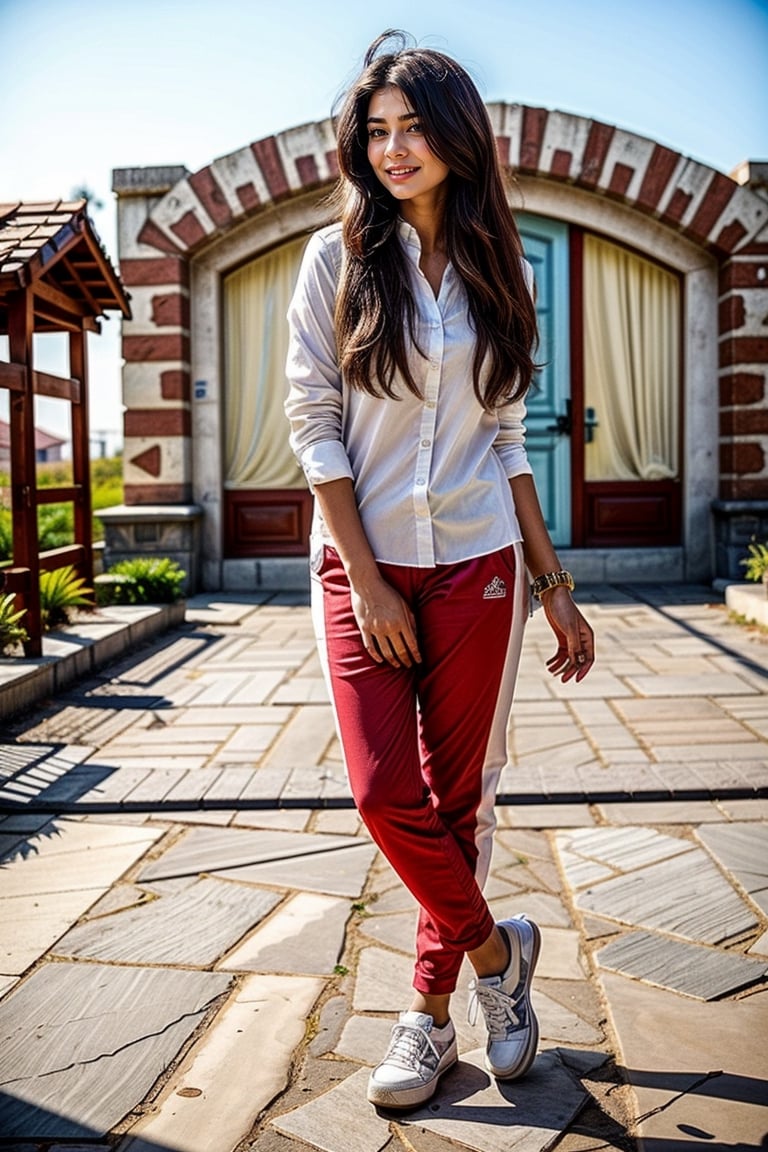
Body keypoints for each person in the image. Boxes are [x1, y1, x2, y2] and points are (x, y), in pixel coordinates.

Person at [285, 29, 595, 1111]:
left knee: (457, 802)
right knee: (383, 792)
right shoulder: (335, 262)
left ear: (457, 135)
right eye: (377, 131)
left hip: (478, 568)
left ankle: (428, 1017)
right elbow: (312, 424)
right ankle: (500, 958)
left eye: (414, 127)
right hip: (362, 567)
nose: (395, 148)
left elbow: (507, 440)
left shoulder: (498, 270)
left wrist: (554, 586)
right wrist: (367, 582)